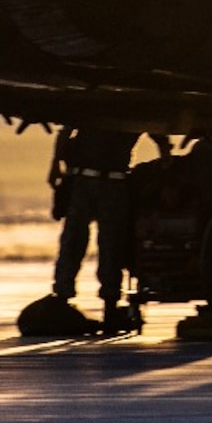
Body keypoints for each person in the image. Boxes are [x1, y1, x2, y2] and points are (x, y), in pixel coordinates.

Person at [49, 125, 140, 328]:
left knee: (104, 243)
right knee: (101, 243)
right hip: (98, 183)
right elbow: (66, 129)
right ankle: (98, 302)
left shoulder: (104, 102)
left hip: (97, 182)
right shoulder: (130, 105)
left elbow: (65, 130)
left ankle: (75, 299)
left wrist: (55, 165)